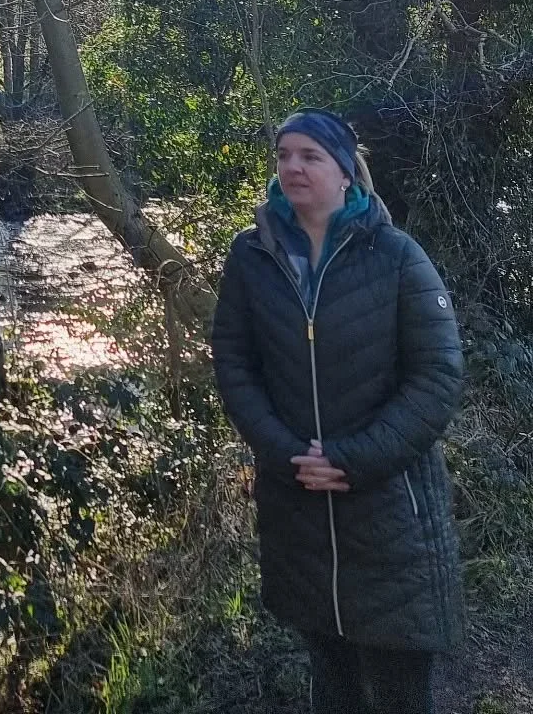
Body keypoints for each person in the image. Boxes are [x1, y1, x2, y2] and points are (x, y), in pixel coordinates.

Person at [211, 108, 464, 714]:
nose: (292, 167)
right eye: (284, 155)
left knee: (401, 687)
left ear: (346, 172)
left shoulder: (396, 256)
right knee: (332, 679)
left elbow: (437, 376)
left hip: (389, 509)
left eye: (310, 156)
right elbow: (234, 363)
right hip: (297, 507)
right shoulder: (252, 255)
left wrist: (352, 459)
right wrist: (285, 453)